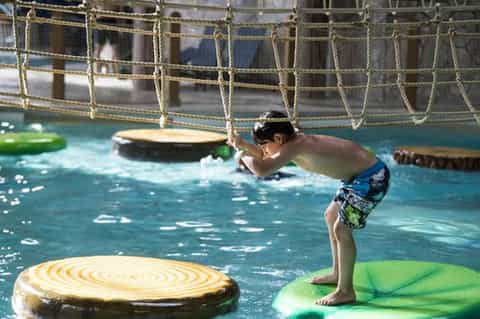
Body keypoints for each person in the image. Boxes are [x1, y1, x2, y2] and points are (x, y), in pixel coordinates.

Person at [227, 111, 390, 306]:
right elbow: (266, 155)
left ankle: (346, 291)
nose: (263, 149)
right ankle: (338, 273)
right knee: (331, 216)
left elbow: (262, 169)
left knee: (342, 229)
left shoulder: (295, 146)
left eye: (264, 143)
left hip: (372, 179)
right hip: (356, 179)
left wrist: (241, 154)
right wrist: (243, 144)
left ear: (279, 138)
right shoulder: (292, 140)